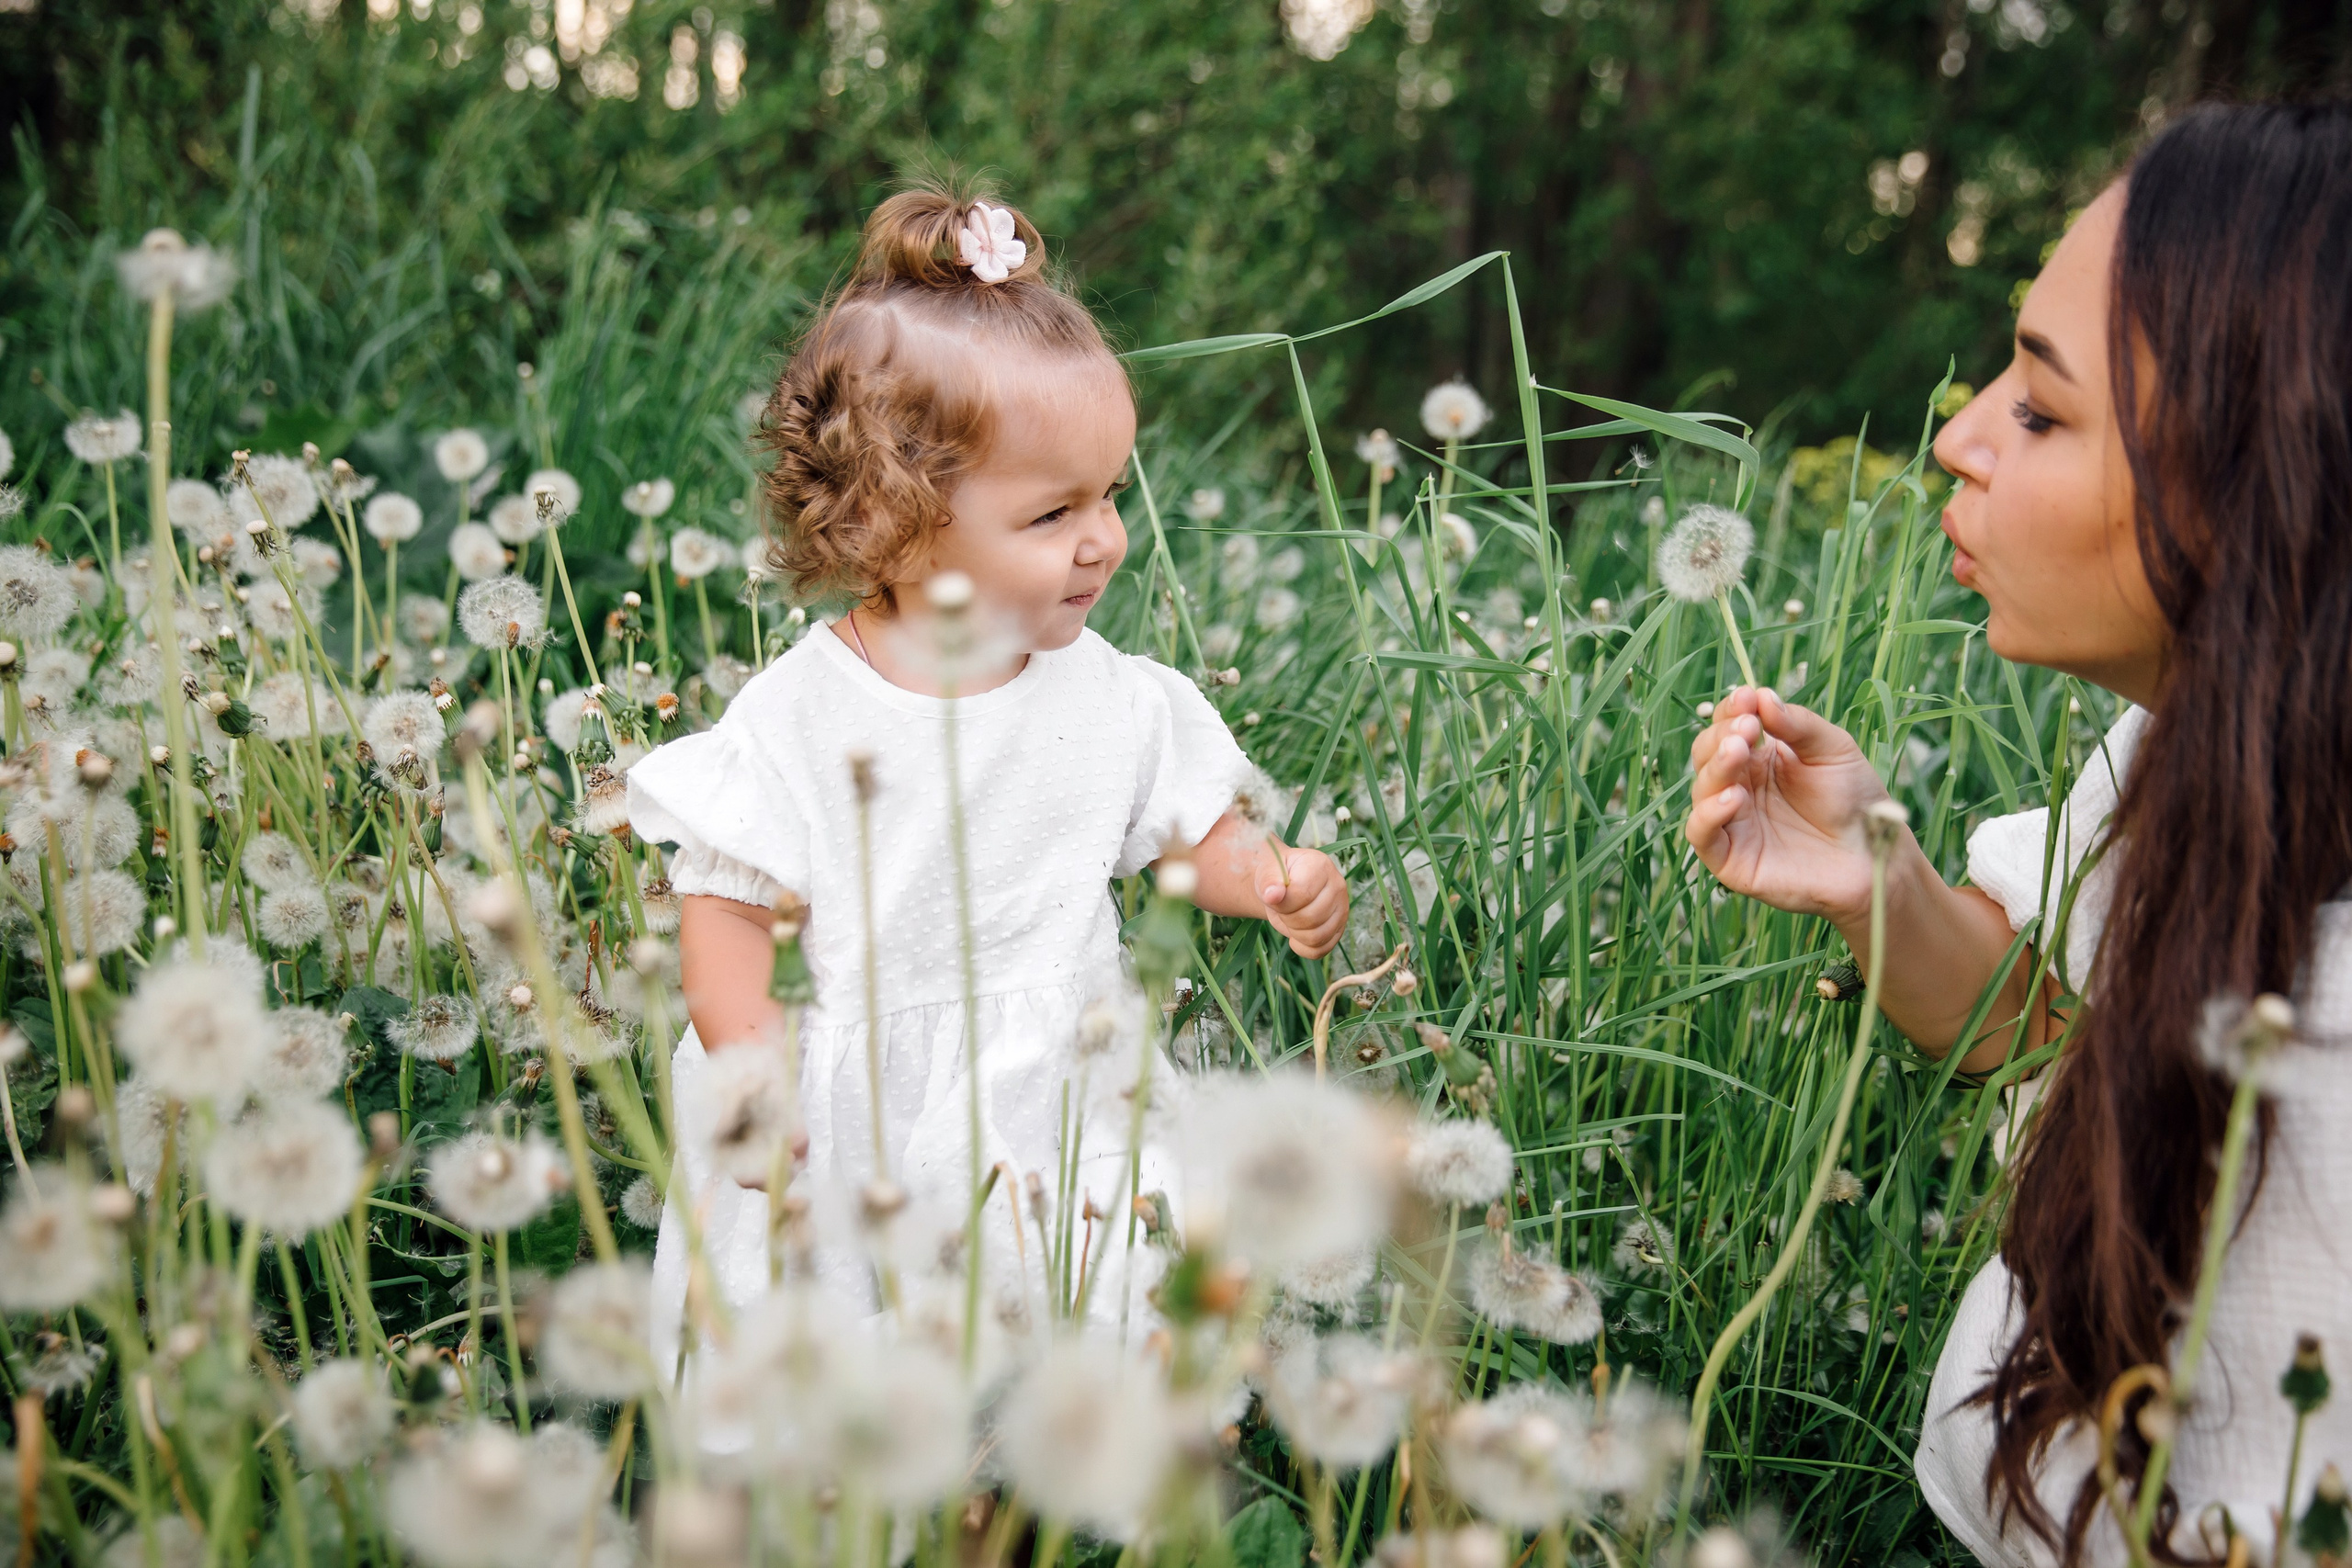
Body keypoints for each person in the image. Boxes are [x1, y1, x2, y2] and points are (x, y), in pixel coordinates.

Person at [1682, 102, 2352, 1564]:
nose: (1957, 437)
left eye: (2043, 410)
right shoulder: (2179, 753)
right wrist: (1887, 886)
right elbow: (2052, 1022)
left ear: (2276, 492)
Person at [628, 185, 1349, 1375]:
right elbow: (726, 901)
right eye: (1053, 510)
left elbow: (1180, 829)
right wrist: (747, 1059)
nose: (1102, 539)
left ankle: (1025, 1505)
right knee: (854, 1383)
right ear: (890, 525)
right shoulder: (802, 716)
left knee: (1072, 1339)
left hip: (1055, 1097)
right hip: (851, 1117)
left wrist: (1265, 874)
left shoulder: (1109, 695)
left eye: (1111, 494)